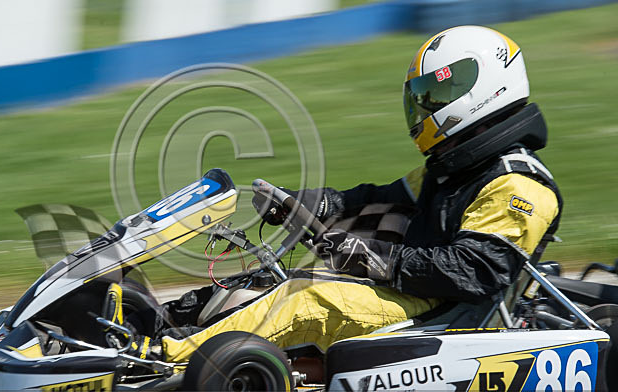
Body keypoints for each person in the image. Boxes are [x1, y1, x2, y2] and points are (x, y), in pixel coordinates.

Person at [148, 25, 563, 363]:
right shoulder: (452, 169)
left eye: (437, 94)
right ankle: (151, 323)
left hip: (451, 316)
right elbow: (380, 201)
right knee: (266, 279)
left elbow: (472, 272)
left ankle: (166, 356)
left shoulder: (518, 185)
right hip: (412, 295)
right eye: (423, 96)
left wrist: (378, 259)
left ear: (486, 89)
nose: (425, 106)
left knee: (305, 298)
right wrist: (317, 204)